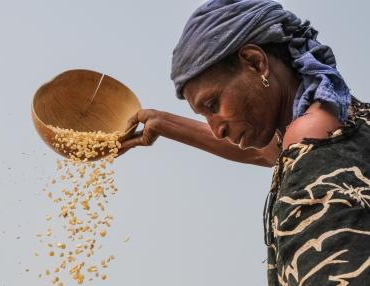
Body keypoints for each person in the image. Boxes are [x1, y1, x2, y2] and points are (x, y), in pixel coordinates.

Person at [119, 0, 370, 285]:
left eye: (213, 105)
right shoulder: (336, 120)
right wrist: (163, 124)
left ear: (255, 62)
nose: (216, 130)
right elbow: (265, 154)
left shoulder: (311, 140)